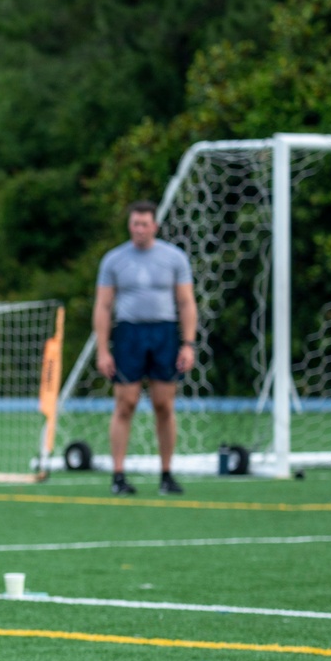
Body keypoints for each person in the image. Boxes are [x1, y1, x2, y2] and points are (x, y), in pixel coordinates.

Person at [93, 200, 198, 496]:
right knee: (125, 402)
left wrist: (187, 344)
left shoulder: (174, 258)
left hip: (164, 332)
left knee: (164, 404)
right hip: (129, 333)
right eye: (135, 224)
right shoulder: (114, 260)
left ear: (155, 225)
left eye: (144, 224)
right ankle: (118, 475)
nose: (139, 229)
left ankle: (166, 473)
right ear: (130, 226)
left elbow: (186, 302)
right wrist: (103, 349)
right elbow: (103, 305)